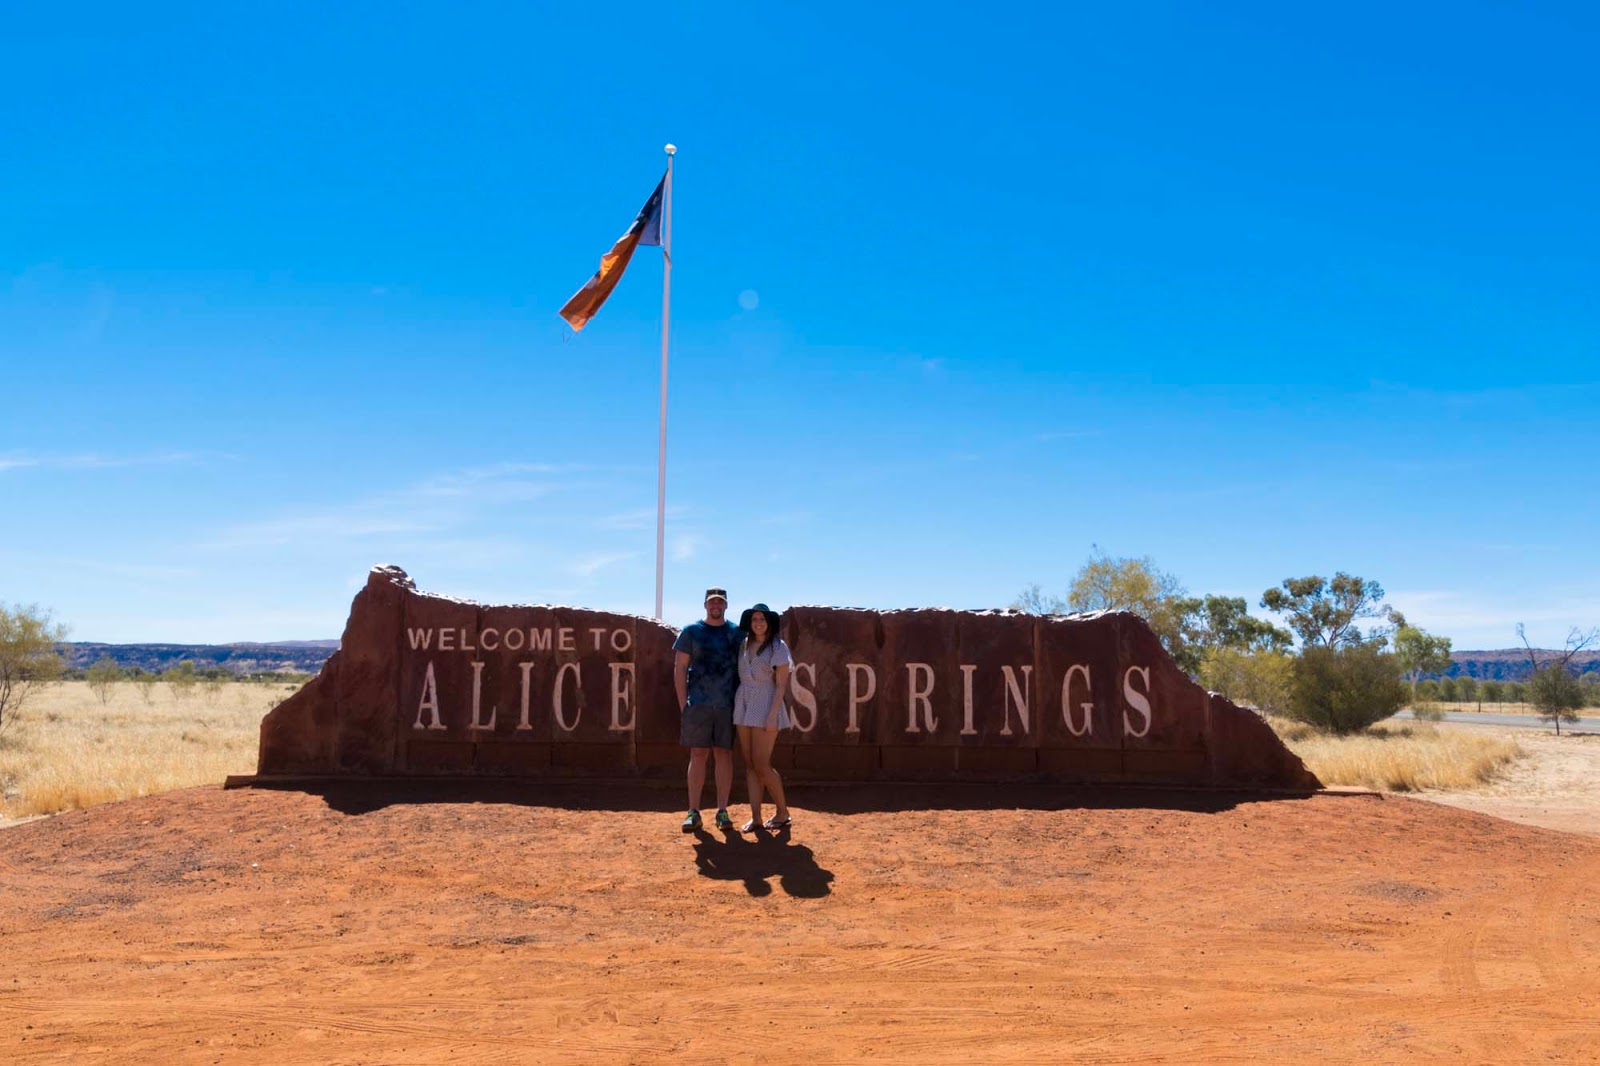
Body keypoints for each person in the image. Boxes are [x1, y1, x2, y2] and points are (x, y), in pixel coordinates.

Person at [672, 587, 741, 832]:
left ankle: (722, 811)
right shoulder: (691, 631)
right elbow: (680, 667)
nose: (716, 606)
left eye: (720, 602)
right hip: (698, 704)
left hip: (726, 705)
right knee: (698, 755)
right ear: (705, 605)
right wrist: (684, 704)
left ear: (726, 605)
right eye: (712, 602)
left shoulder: (735, 633)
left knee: (724, 755)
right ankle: (693, 811)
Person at [733, 602, 793, 833]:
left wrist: (772, 716)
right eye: (754, 619)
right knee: (749, 764)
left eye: (762, 619)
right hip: (743, 702)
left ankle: (782, 812)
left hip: (766, 703)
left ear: (769, 623)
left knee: (761, 763)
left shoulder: (778, 646)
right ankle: (756, 817)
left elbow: (781, 685)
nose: (758, 623)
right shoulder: (744, 644)